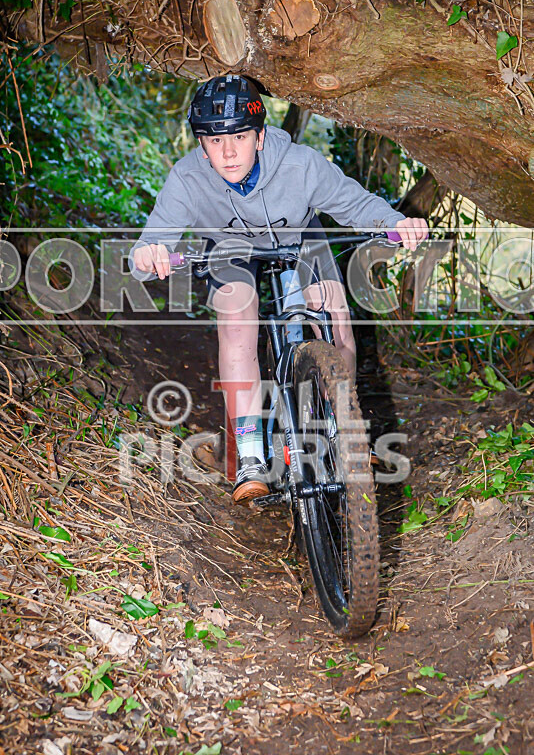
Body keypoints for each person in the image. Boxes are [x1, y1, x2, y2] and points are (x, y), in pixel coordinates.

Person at [129, 75, 428, 504]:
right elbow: (152, 239)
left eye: (239, 137)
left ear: (261, 136)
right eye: (214, 142)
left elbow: (355, 203)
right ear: (201, 144)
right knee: (236, 317)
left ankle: (345, 429)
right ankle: (251, 453)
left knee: (334, 318)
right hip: (228, 250)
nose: (228, 152)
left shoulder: (300, 165)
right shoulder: (187, 177)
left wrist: (396, 224)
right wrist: (149, 254)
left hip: (300, 240)